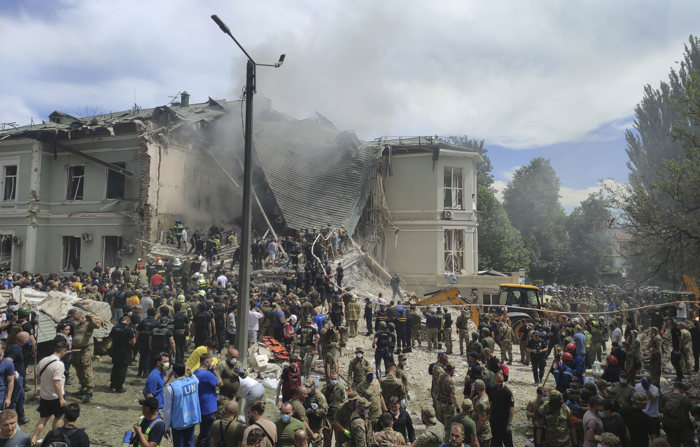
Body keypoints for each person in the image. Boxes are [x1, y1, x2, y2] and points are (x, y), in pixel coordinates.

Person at [30, 341, 68, 446]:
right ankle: (56, 438)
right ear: (63, 351)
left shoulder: (43, 360)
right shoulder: (59, 364)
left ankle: (33, 438)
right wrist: (61, 398)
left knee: (44, 418)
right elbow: (57, 382)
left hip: (44, 395)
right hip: (55, 396)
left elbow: (37, 375)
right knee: (58, 417)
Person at [163, 363, 201, 447]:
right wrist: (190, 373)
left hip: (178, 423)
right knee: (189, 443)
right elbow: (197, 380)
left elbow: (167, 410)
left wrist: (166, 427)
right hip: (192, 419)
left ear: (174, 372)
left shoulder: (171, 387)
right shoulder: (193, 382)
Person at [70, 311, 102, 403]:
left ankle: (89, 390)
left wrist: (90, 319)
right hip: (77, 349)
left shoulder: (88, 324)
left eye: (77, 319)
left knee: (86, 368)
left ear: (82, 317)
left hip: (86, 349)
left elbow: (96, 325)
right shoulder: (77, 325)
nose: (76, 321)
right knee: (78, 367)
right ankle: (83, 387)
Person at [194, 354, 222, 447]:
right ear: (206, 363)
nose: (212, 363)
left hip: (201, 407)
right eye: (211, 361)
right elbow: (220, 383)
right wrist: (215, 371)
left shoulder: (196, 372)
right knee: (205, 435)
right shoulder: (208, 375)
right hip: (209, 409)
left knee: (204, 433)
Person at [660, 381, 694, 447]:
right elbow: (693, 412)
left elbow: (661, 409)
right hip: (683, 427)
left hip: (669, 426)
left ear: (674, 387)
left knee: (673, 444)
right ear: (682, 389)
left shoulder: (665, 397)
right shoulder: (685, 399)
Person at [6, 331, 29, 425]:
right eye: (27, 339)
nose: (28, 341)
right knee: (14, 400)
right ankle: (9, 421)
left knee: (21, 397)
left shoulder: (13, 346)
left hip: (19, 377)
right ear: (24, 340)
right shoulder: (16, 348)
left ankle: (21, 418)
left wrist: (23, 370)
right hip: (16, 378)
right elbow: (8, 361)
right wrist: (14, 372)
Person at [109, 314, 136, 393]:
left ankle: (112, 384)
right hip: (125, 351)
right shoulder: (128, 329)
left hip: (115, 350)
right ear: (128, 321)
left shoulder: (115, 327)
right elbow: (134, 342)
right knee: (123, 369)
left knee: (115, 367)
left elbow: (110, 338)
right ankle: (119, 387)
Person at [489, 372, 514, 447]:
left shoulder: (507, 392)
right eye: (498, 381)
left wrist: (509, 424)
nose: (500, 383)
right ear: (495, 380)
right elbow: (491, 403)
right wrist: (489, 415)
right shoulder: (493, 389)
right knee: (495, 441)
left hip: (504, 421)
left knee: (508, 442)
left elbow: (511, 409)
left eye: (501, 381)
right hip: (495, 419)